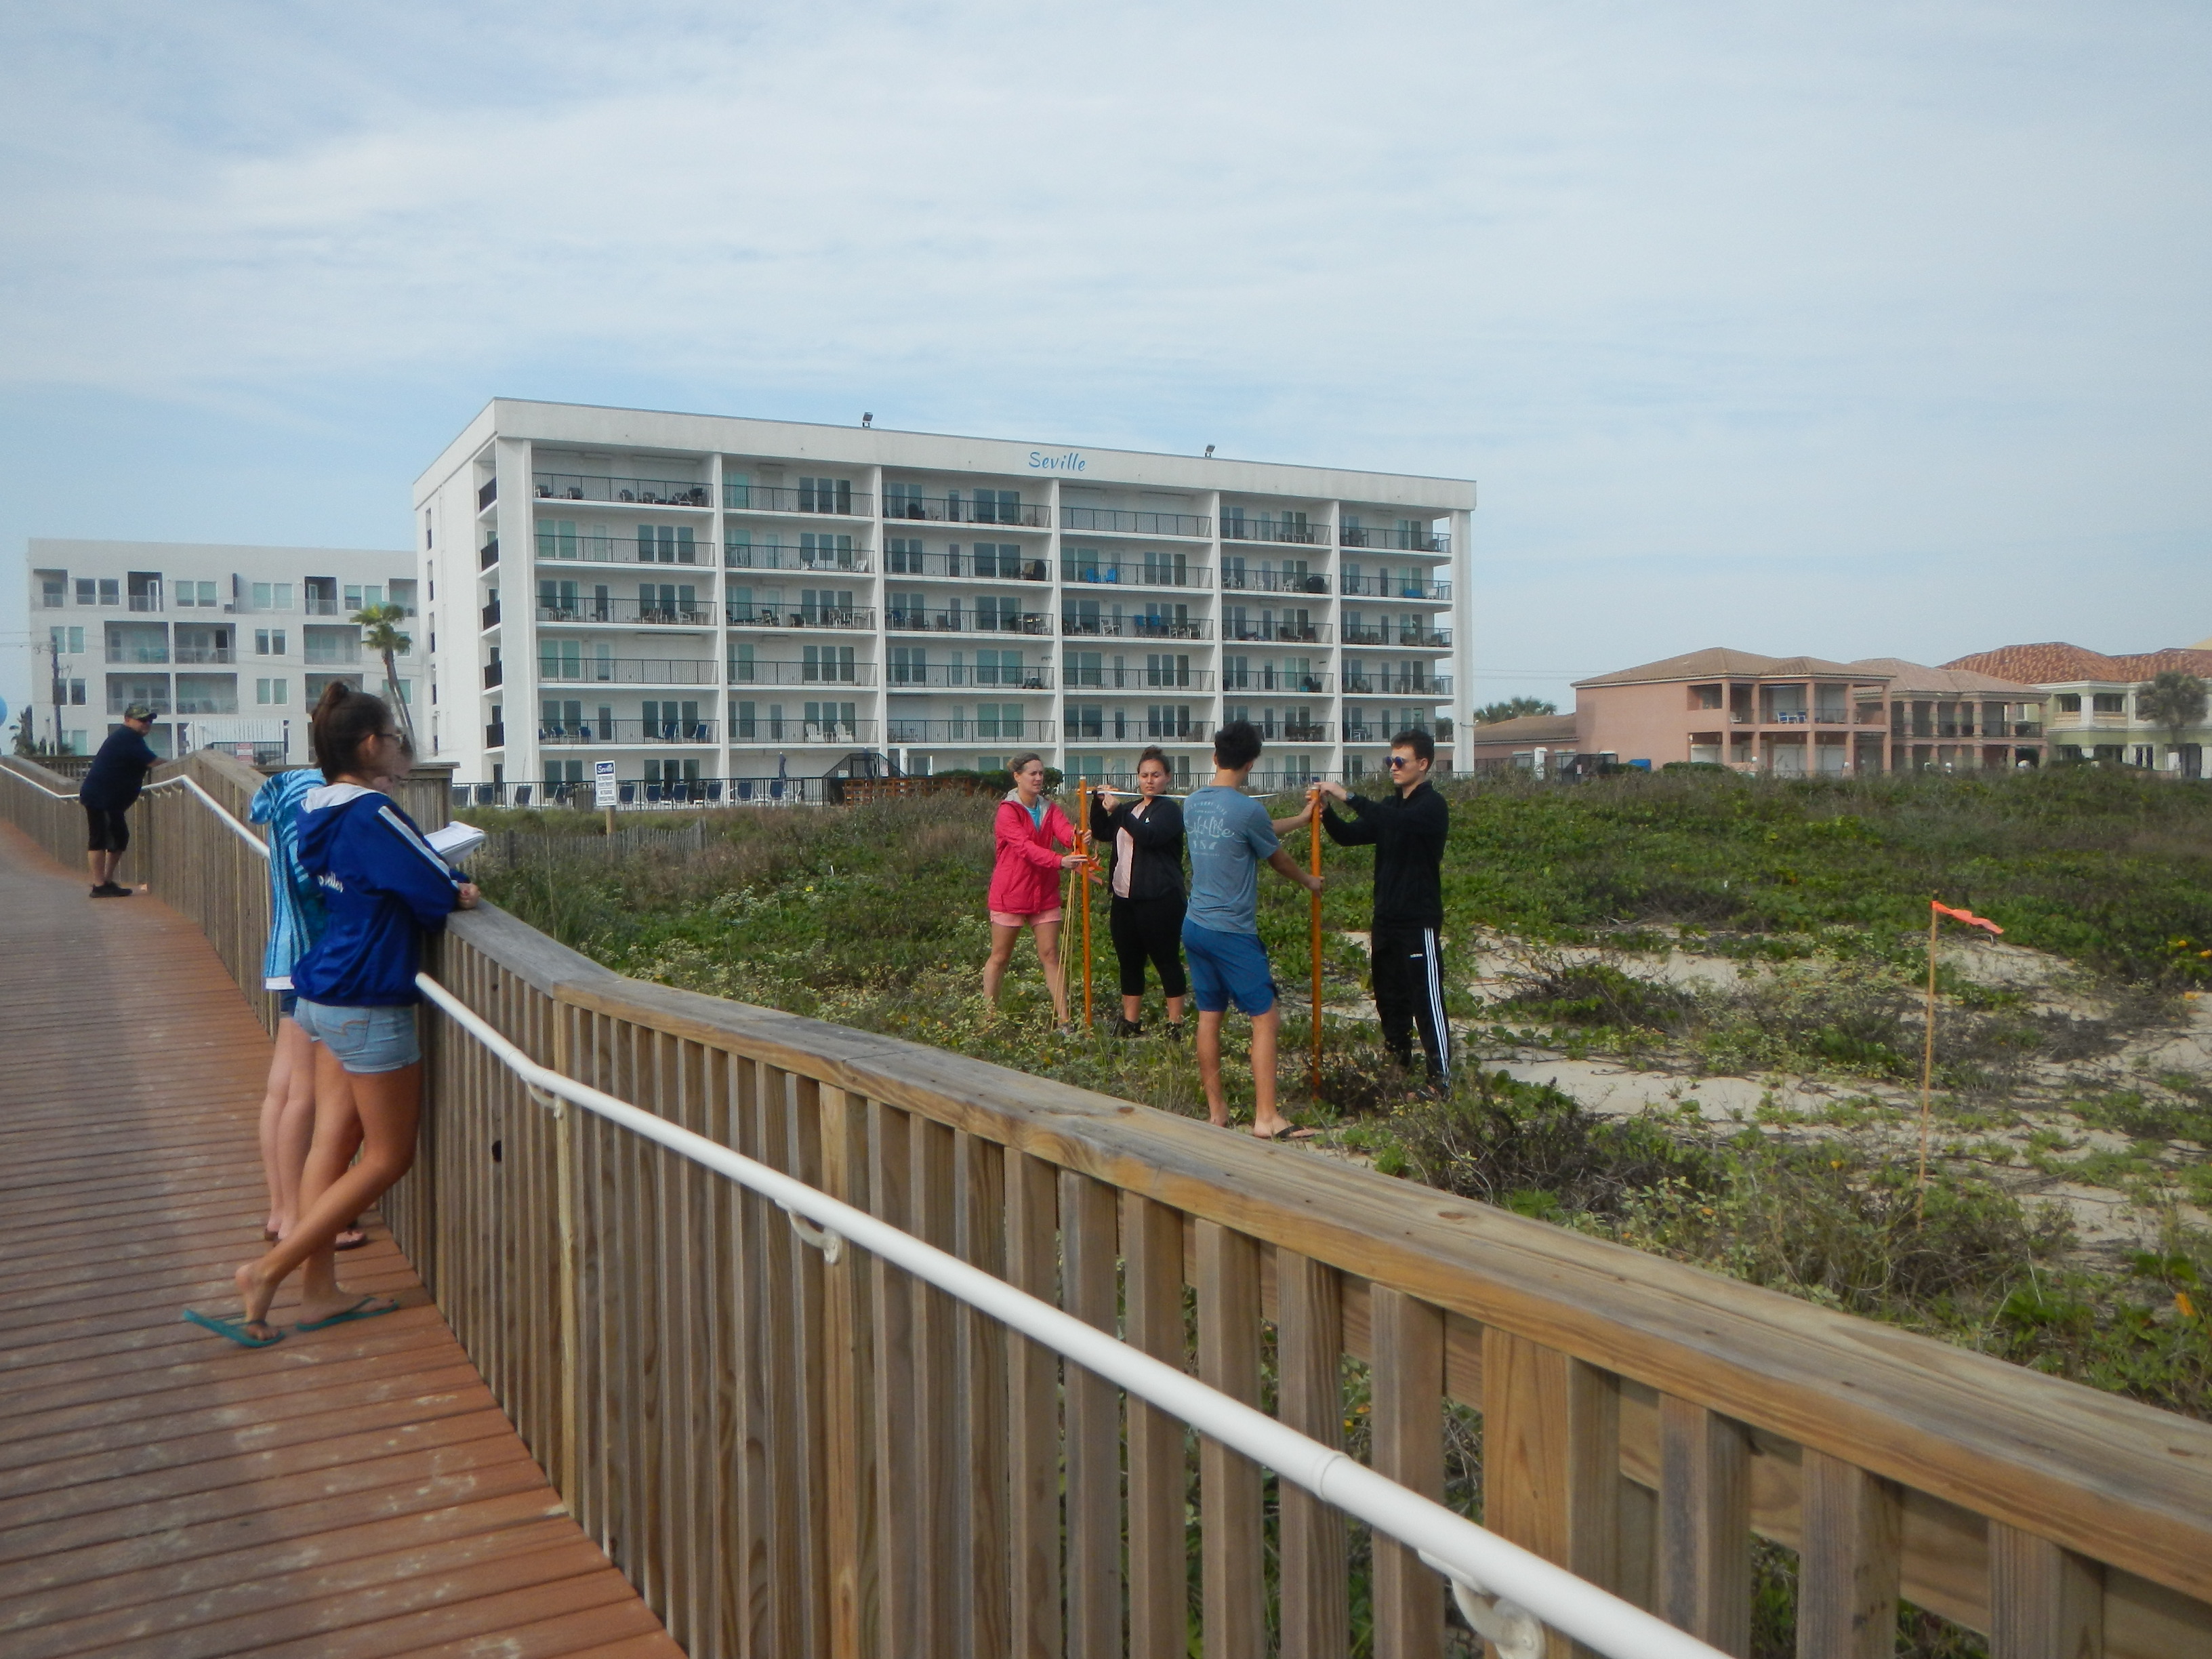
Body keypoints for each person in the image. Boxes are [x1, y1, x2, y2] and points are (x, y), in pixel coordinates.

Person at [187, 684, 478, 1347]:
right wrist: (458, 893)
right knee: (388, 1156)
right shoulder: (373, 811)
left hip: (319, 994)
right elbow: (433, 889)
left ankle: (319, 1293)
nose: (403, 751)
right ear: (372, 745)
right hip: (366, 998)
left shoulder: (313, 804)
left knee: (334, 1143)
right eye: (398, 740)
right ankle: (267, 1273)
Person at [1181, 721, 1325, 1139]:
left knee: (1210, 1015)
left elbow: (1254, 833)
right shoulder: (1246, 809)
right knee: (1265, 1016)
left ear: (1215, 756)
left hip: (1195, 924)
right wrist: (1309, 881)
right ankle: (1266, 1118)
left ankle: (1218, 1113)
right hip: (1231, 931)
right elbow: (1275, 857)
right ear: (1250, 762)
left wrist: (1300, 820)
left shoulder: (1193, 803)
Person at [246, 765, 367, 1252]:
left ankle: (281, 1211)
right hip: (308, 953)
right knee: (304, 1094)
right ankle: (300, 1217)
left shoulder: (290, 784)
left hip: (286, 952)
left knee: (283, 1090)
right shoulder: (313, 792)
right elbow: (306, 873)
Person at [1319, 729, 1453, 1089]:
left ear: (1422, 765)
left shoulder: (1431, 806)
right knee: (1389, 999)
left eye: (1400, 761)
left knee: (1426, 1000)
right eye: (1389, 761)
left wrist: (1349, 795)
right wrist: (1327, 813)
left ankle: (1440, 1078)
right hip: (1386, 919)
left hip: (1417, 920)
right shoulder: (1390, 805)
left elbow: (1398, 824)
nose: (1393, 767)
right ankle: (1398, 1066)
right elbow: (1350, 836)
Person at [983, 753, 1086, 1032]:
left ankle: (1065, 1021)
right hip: (1011, 893)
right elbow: (1024, 848)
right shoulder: (1008, 811)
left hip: (1044, 892)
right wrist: (1060, 861)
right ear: (1017, 777)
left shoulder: (1049, 808)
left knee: (1051, 954)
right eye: (1033, 773)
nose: (1039, 778)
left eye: (1041, 773)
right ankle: (988, 1018)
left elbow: (1063, 830)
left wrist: (1077, 838)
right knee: (1000, 956)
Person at [1092, 747, 1187, 1039]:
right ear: (1137, 777)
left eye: (1156, 775)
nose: (1149, 781)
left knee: (1166, 960)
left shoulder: (1170, 810)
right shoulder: (1131, 808)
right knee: (1129, 960)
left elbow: (1149, 836)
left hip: (1160, 900)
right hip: (1125, 899)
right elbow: (1102, 832)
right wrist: (1098, 803)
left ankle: (1176, 1024)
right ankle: (1131, 1022)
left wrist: (1118, 811)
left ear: (1167, 778)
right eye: (1144, 775)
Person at [77, 703, 159, 897]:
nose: (146, 723)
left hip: (111, 799)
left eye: (149, 720)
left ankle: (105, 881)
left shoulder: (132, 739)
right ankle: (99, 886)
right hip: (102, 797)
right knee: (100, 839)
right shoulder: (127, 737)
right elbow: (152, 762)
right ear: (127, 720)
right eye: (142, 720)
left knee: (119, 838)